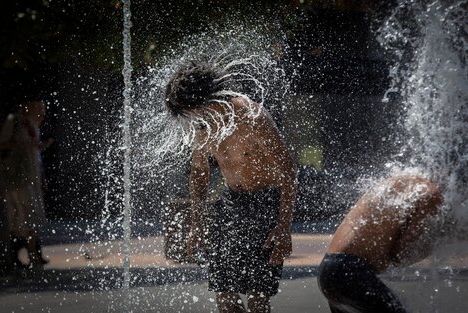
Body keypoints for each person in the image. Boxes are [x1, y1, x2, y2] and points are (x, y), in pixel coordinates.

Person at [165, 61, 298, 313]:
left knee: (258, 301)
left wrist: (284, 227)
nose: (191, 118)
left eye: (189, 111)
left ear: (200, 101)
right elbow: (200, 173)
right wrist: (197, 222)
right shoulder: (203, 128)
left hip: (265, 205)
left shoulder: (251, 115)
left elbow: (288, 170)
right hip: (230, 205)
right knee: (225, 300)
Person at [318, 175, 443, 313]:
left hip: (329, 269)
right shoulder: (432, 193)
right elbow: (399, 255)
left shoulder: (400, 180)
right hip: (351, 273)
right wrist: (436, 243)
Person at [0, 100, 53, 269]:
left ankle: (32, 254)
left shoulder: (32, 126)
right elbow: (1, 144)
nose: (42, 113)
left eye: (43, 109)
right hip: (17, 179)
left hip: (31, 178)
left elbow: (35, 155)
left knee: (30, 218)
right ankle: (29, 256)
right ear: (27, 106)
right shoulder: (14, 122)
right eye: (39, 108)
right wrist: (22, 146)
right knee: (23, 217)